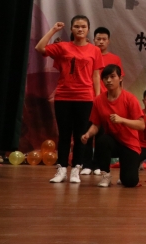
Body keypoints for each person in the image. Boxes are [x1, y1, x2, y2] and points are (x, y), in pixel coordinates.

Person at [34, 16, 103, 184]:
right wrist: (54, 30)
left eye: (83, 26)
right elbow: (39, 48)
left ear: (88, 30)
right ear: (71, 29)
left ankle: (76, 169)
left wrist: (98, 98)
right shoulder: (63, 47)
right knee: (64, 134)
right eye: (77, 26)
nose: (80, 29)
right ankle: (62, 169)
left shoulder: (95, 50)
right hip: (64, 97)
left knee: (81, 136)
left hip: (85, 98)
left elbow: (96, 76)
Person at [81, 64, 145, 188]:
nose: (109, 80)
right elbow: (96, 124)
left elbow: (141, 125)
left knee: (130, 182)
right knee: (102, 141)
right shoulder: (98, 100)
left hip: (129, 144)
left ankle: (127, 171)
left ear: (120, 78)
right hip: (112, 142)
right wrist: (88, 134)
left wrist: (122, 120)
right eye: (105, 78)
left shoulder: (130, 99)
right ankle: (106, 175)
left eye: (112, 76)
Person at [81, 26, 126, 175]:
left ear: (108, 41)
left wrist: (119, 98)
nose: (101, 41)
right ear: (93, 40)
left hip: (107, 100)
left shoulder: (115, 59)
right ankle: (86, 164)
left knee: (102, 133)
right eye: (98, 39)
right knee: (88, 131)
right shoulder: (88, 54)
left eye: (104, 39)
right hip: (88, 98)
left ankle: (99, 165)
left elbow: (120, 80)